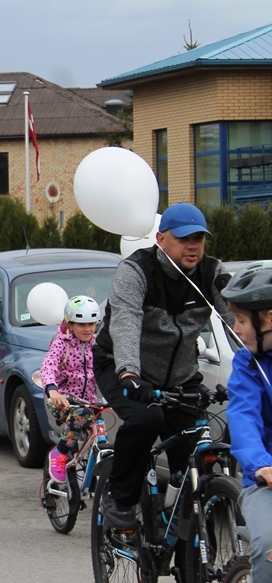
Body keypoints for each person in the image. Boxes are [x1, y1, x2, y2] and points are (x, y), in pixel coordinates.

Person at [94, 202, 233, 529]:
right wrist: (129, 371)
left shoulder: (211, 272)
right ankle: (120, 497)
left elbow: (237, 319)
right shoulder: (137, 271)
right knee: (146, 418)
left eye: (199, 238)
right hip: (122, 367)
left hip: (180, 377)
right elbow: (126, 321)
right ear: (160, 238)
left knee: (194, 454)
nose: (193, 246)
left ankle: (184, 536)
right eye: (184, 238)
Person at [222, 262, 272, 581]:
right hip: (267, 478)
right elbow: (242, 415)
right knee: (270, 544)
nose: (236, 329)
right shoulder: (248, 365)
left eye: (241, 320)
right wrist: (260, 464)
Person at [40, 295, 101, 484]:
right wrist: (53, 391)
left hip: (89, 401)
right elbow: (47, 367)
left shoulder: (98, 345)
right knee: (80, 415)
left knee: (103, 429)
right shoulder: (62, 344)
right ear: (70, 324)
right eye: (81, 325)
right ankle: (59, 452)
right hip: (63, 401)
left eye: (91, 324)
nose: (87, 329)